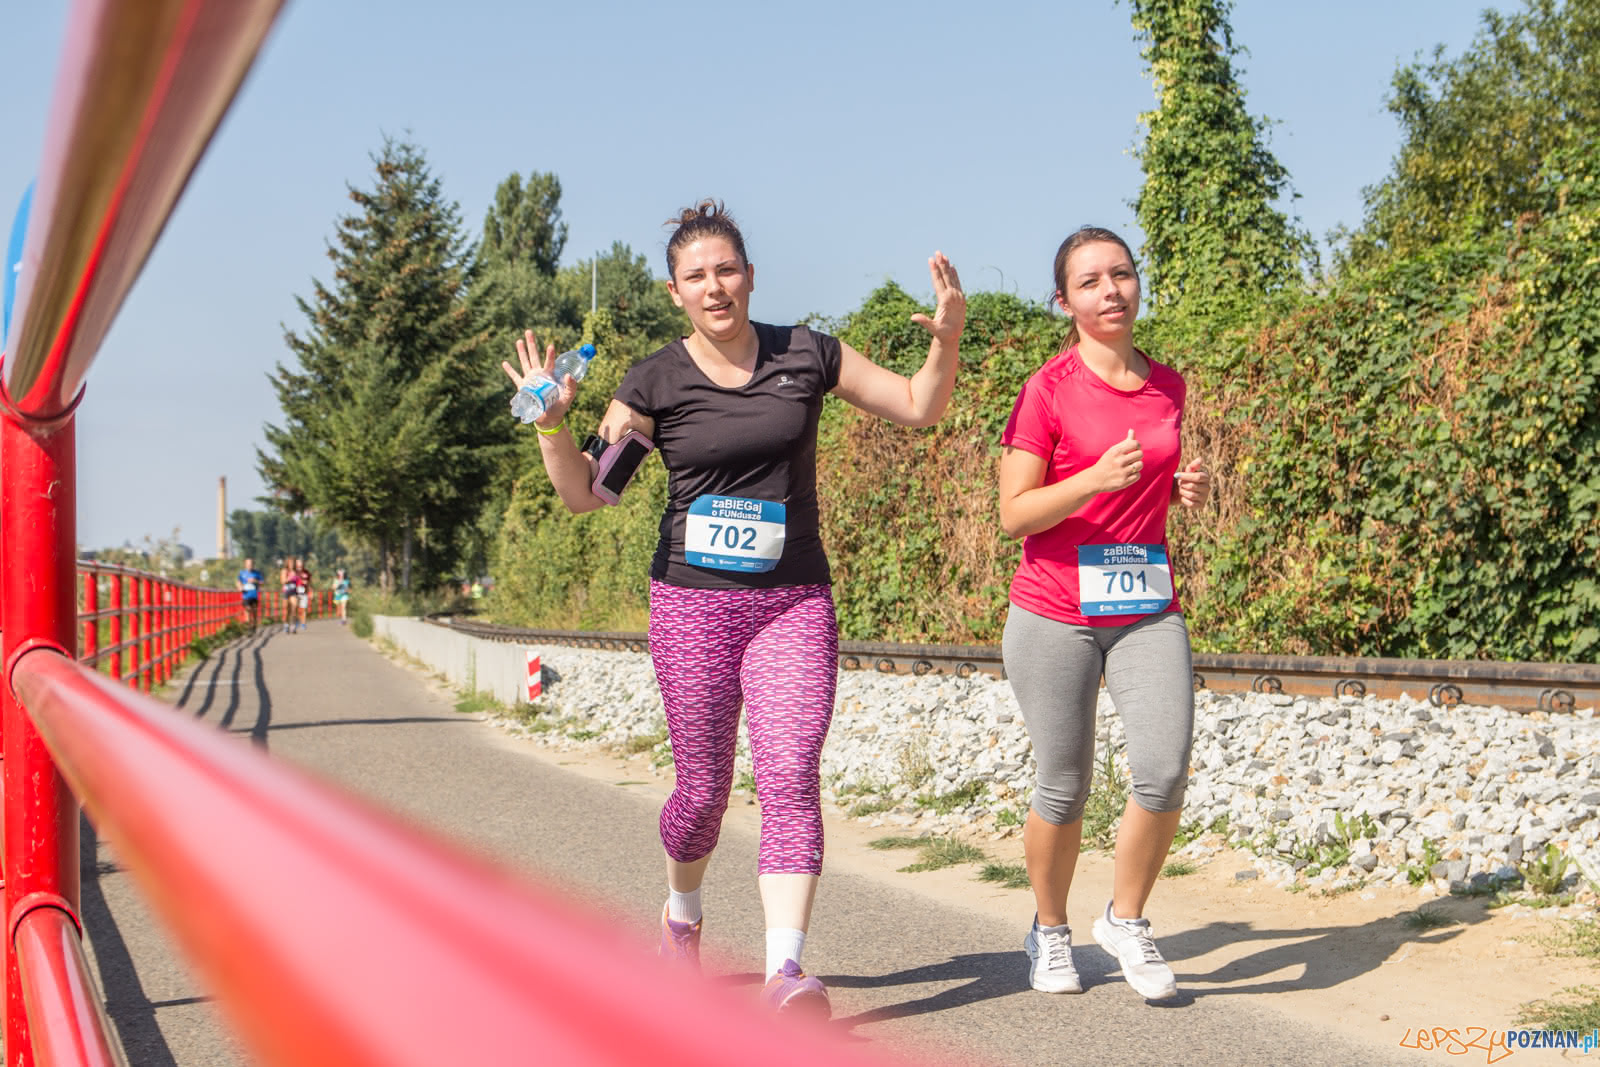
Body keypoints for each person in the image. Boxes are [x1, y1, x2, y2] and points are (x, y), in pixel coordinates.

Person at [502, 200, 965, 1017]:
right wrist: (553, 425)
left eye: (727, 270)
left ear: (750, 276)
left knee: (789, 773)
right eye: (696, 276)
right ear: (674, 291)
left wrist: (947, 338)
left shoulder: (807, 354)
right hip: (693, 604)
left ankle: (787, 969)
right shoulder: (653, 380)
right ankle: (681, 916)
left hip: (793, 600)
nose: (714, 287)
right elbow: (590, 492)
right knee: (703, 792)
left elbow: (920, 406)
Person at [996, 226, 1211, 1001]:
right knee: (1064, 781)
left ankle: (1125, 919)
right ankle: (1050, 930)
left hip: (1146, 604)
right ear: (1065, 302)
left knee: (1162, 767)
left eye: (1121, 274)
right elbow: (1015, 513)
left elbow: (1143, 488)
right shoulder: (1047, 388)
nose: (1111, 290)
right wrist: (1091, 479)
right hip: (1054, 612)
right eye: (1090, 281)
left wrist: (1176, 493)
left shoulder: (1170, 386)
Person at [237, 557, 264, 629]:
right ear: (245, 564)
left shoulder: (257, 573)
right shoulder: (242, 573)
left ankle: (254, 624)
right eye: (248, 564)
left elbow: (262, 582)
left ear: (253, 565)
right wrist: (240, 587)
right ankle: (248, 627)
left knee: (254, 611)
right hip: (246, 595)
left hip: (254, 595)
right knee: (247, 609)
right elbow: (238, 582)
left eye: (251, 564)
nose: (250, 565)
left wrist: (255, 581)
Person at [279, 557, 299, 634]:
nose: (292, 564)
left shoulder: (296, 571)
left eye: (293, 563)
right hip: (286, 591)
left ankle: (293, 625)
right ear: (287, 564)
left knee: (294, 608)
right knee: (286, 610)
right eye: (290, 563)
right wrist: (290, 577)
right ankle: (286, 624)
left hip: (294, 591)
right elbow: (283, 581)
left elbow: (299, 581)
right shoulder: (284, 571)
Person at [295, 560, 312, 631]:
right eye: (298, 565)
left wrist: (311, 591)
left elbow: (309, 583)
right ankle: (297, 621)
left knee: (303, 608)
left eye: (301, 565)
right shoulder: (294, 572)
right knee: (296, 608)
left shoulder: (306, 572)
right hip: (295, 592)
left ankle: (303, 623)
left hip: (304, 592)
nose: (300, 566)